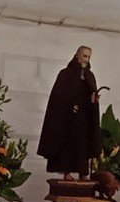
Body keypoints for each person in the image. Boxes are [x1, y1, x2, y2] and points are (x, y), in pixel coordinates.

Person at [37, 45, 103, 181]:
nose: (87, 59)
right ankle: (67, 172)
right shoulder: (65, 74)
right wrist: (70, 106)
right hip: (67, 120)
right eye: (85, 56)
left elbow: (90, 96)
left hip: (84, 119)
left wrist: (93, 100)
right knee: (67, 146)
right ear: (77, 56)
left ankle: (83, 173)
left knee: (83, 146)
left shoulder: (90, 76)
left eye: (89, 56)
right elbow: (58, 96)